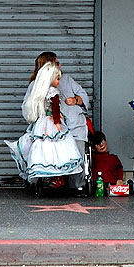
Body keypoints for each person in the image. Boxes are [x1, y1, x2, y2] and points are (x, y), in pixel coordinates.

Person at [5, 62, 82, 185]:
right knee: (57, 147)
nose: (59, 82)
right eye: (57, 79)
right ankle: (55, 172)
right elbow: (56, 109)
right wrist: (57, 122)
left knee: (42, 145)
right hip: (51, 121)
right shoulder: (54, 93)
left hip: (41, 121)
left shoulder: (40, 91)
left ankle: (44, 170)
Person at [22, 52, 90, 189]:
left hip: (73, 126)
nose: (60, 65)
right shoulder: (36, 85)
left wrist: (76, 100)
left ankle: (77, 186)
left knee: (78, 155)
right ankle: (42, 181)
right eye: (57, 63)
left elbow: (84, 96)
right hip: (50, 129)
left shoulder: (67, 79)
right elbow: (28, 107)